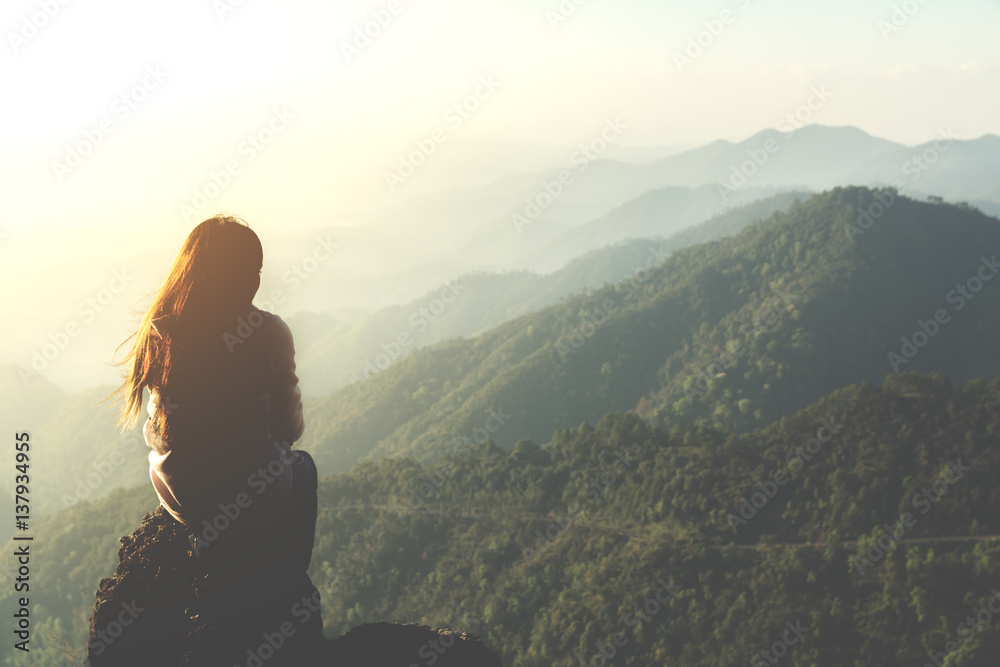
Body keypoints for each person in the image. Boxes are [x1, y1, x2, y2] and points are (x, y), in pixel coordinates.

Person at [101, 215, 323, 662]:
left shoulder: (162, 331)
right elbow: (290, 423)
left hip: (182, 494)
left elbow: (156, 428)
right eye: (253, 268)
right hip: (255, 494)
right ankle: (286, 579)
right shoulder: (267, 331)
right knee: (305, 467)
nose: (258, 278)